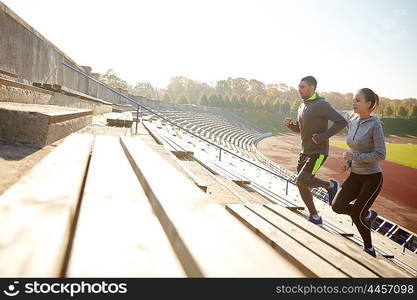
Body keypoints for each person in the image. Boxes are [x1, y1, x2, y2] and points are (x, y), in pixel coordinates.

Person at [284, 76, 347, 225]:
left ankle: (330, 185)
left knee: (301, 179)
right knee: (301, 183)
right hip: (304, 152)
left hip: (318, 152)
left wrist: (323, 136)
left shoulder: (321, 104)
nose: (299, 89)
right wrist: (291, 126)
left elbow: (341, 121)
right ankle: (315, 217)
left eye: (302, 87)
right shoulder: (302, 106)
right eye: (299, 86)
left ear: (312, 88)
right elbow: (301, 129)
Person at [331, 88, 385, 257]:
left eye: (358, 100)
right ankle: (368, 214)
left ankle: (369, 248)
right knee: (337, 206)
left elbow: (380, 154)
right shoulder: (353, 119)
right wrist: (349, 162)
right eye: (353, 100)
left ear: (369, 104)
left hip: (372, 178)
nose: (353, 103)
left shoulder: (375, 125)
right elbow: (355, 146)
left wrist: (354, 156)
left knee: (356, 214)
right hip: (355, 174)